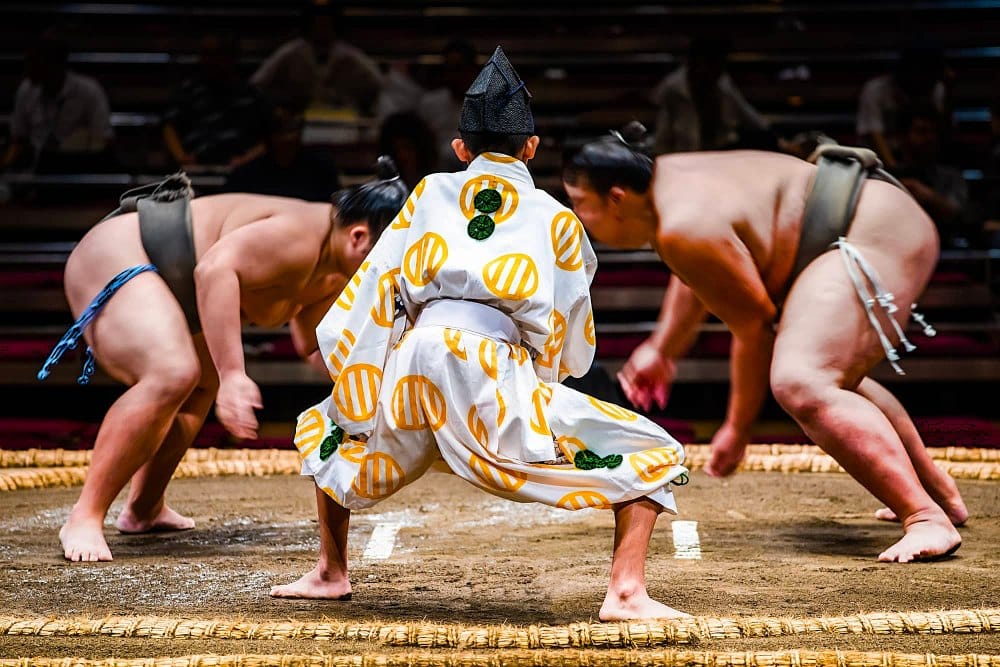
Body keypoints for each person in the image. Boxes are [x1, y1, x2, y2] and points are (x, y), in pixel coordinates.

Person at [271, 47, 690, 621]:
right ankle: (625, 591)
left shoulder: (425, 194)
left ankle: (329, 572)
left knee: (331, 430)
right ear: (532, 149)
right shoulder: (555, 216)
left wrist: (362, 382)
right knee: (653, 451)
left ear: (460, 149)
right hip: (491, 369)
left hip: (415, 361)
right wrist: (536, 384)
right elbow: (568, 333)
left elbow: (374, 289)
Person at [561, 124, 967, 563]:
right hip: (863, 218)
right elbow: (697, 269)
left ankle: (925, 517)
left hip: (870, 229)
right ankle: (934, 493)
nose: (579, 218)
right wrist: (663, 349)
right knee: (829, 375)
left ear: (617, 198)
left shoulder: (682, 224)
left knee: (803, 380)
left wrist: (737, 428)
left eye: (583, 205)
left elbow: (754, 327)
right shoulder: (667, 187)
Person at [44, 161, 408, 563]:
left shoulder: (334, 271)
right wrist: (234, 373)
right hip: (119, 253)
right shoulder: (303, 232)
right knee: (173, 372)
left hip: (170, 281)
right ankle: (84, 516)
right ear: (359, 237)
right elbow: (216, 269)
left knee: (199, 384)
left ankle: (144, 508)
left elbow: (312, 347)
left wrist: (375, 385)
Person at [1, 28, 114, 173]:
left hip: (80, 168)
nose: (28, 68)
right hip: (34, 171)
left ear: (55, 64)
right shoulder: (26, 90)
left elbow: (104, 139)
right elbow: (18, 139)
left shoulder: (89, 91)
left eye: (35, 62)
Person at [162, 34, 271, 169]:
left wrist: (246, 159)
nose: (208, 61)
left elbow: (271, 137)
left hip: (241, 171)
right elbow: (169, 127)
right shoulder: (189, 91)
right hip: (195, 169)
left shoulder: (251, 95)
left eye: (214, 55)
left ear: (230, 57)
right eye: (205, 54)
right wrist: (182, 158)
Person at [650, 36, 772, 155]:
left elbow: (755, 121)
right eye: (713, 63)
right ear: (696, 62)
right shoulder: (674, 88)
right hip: (685, 159)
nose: (717, 71)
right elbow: (662, 140)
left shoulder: (723, 83)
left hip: (721, 155)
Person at [250, 3, 382, 112]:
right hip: (298, 117)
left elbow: (379, 84)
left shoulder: (350, 56)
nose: (322, 28)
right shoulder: (290, 52)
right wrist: (279, 103)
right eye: (318, 22)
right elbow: (257, 84)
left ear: (335, 25)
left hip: (341, 116)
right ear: (309, 24)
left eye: (326, 23)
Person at [856, 46, 950, 169]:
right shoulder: (875, 90)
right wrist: (897, 173)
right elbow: (874, 134)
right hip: (878, 162)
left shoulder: (936, 88)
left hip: (921, 161)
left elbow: (938, 130)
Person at [892, 105, 970, 245]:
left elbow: (962, 217)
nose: (930, 138)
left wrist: (929, 196)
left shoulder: (951, 177)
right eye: (922, 131)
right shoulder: (886, 177)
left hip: (945, 249)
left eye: (934, 132)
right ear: (902, 136)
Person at [226, 109, 342, 201]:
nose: (286, 138)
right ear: (269, 135)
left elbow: (332, 207)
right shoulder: (245, 174)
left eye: (291, 129)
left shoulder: (321, 168)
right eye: (280, 129)